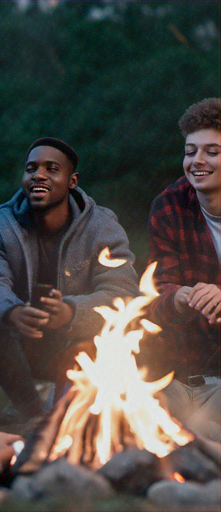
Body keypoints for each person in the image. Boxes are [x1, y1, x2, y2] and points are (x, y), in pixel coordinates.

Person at [0, 137, 139, 423]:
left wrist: (72, 311)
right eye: (31, 168)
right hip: (24, 337)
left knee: (63, 424)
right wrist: (12, 312)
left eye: (51, 168)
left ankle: (66, 410)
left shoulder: (102, 227)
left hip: (80, 341)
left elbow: (123, 293)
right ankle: (29, 409)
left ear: (72, 181)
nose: (39, 175)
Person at [147, 98, 220, 442]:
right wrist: (178, 298)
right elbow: (156, 295)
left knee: (194, 434)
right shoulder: (169, 205)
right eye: (190, 151)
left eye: (212, 151)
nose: (197, 161)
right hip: (181, 377)